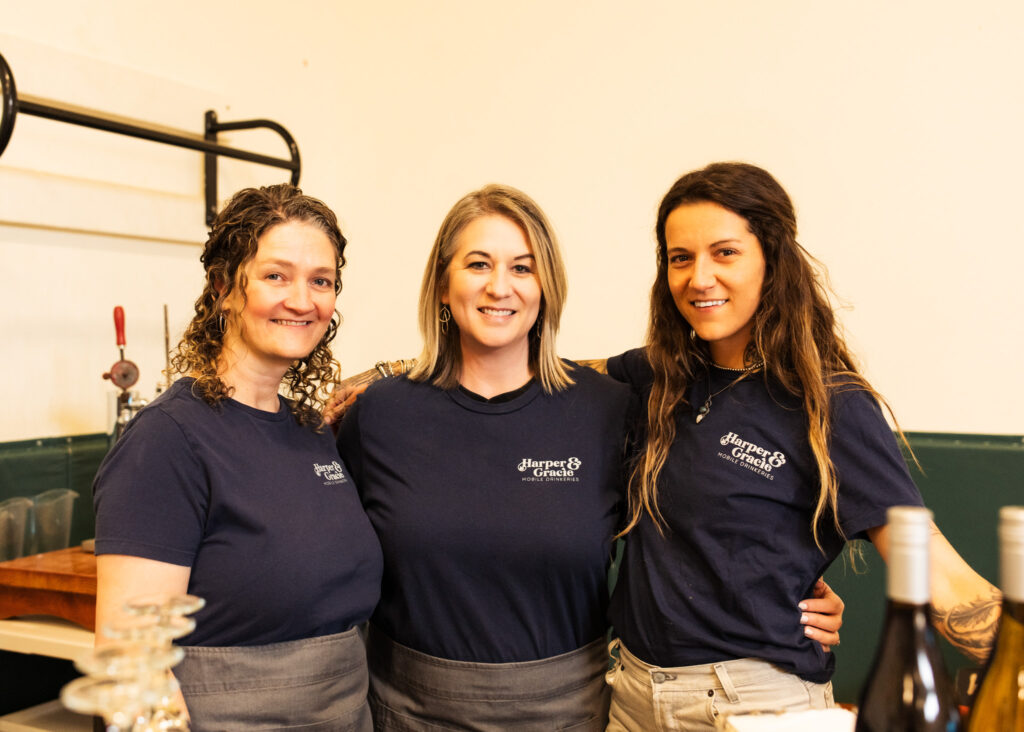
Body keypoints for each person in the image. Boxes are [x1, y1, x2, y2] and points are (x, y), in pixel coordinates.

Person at [331, 183, 842, 731]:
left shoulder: (609, 408)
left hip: (571, 712)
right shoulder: (379, 414)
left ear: (547, 287)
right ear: (441, 285)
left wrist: (784, 594)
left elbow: (692, 531)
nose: (500, 286)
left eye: (523, 268)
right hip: (409, 710)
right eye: (478, 264)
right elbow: (327, 561)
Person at [586, 162, 1002, 731]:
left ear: (773, 260)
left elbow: (942, 575)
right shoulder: (658, 375)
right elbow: (539, 375)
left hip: (751, 703)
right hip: (629, 695)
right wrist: (428, 365)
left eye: (725, 252)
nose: (699, 277)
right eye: (680, 257)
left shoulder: (831, 405)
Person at [93, 184, 383, 731]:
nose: (303, 299)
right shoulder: (169, 441)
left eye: (321, 280)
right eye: (276, 275)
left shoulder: (311, 431)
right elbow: (132, 662)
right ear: (225, 287)